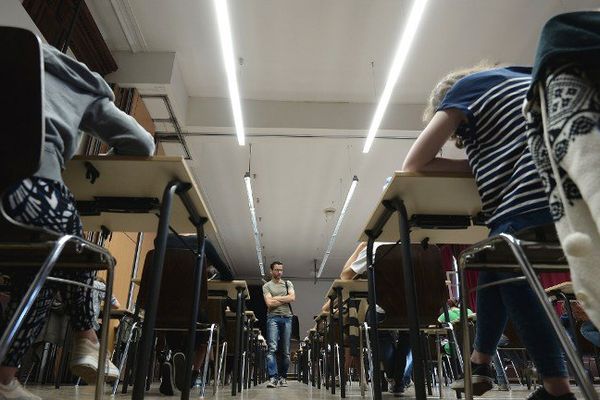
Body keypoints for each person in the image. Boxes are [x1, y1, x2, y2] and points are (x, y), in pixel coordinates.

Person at [402, 63, 573, 400]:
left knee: (506, 264)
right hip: (581, 191)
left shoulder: (466, 89)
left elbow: (415, 163)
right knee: (494, 257)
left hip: (537, 194)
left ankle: (556, 388)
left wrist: (469, 164)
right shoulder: (527, 78)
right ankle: (479, 362)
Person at [0, 43, 155, 400]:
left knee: (48, 256)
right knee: (59, 256)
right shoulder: (79, 80)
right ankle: (86, 337)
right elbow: (142, 144)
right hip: (30, 197)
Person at [158, 233, 235, 395]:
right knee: (206, 333)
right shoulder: (203, 242)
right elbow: (228, 276)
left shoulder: (162, 239)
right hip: (191, 308)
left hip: (161, 308)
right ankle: (192, 373)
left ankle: (171, 357)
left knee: (172, 323)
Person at [262, 261, 295, 388]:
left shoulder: (288, 283)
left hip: (287, 318)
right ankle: (273, 377)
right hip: (273, 318)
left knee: (286, 351)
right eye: (276, 270)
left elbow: (292, 298)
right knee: (272, 349)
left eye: (281, 270)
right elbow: (269, 303)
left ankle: (282, 377)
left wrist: (276, 298)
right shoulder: (266, 286)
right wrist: (284, 298)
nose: (279, 272)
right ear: (271, 271)